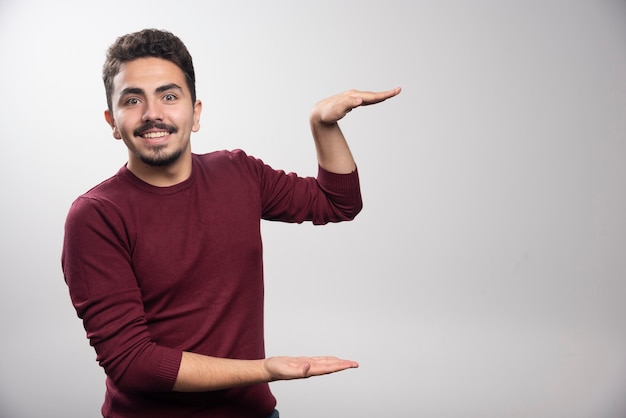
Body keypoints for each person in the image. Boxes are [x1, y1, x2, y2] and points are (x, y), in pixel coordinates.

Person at [61, 28, 400, 418]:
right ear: (113, 122)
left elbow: (338, 203)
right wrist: (265, 370)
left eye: (169, 96)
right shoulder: (95, 216)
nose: (153, 112)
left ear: (196, 113)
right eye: (133, 100)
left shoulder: (238, 173)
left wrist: (322, 125)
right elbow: (133, 365)